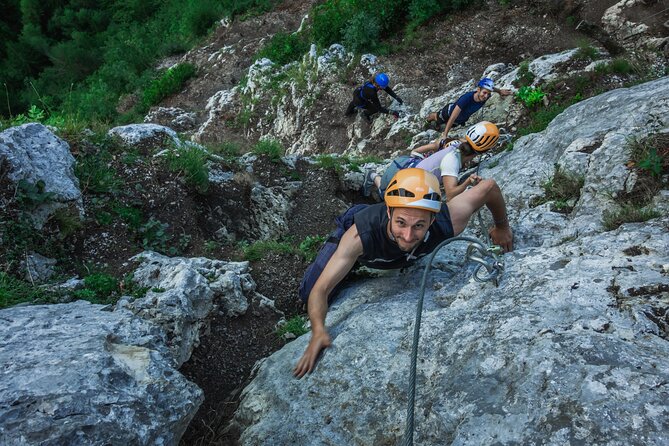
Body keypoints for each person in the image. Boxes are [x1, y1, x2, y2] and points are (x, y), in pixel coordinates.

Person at [294, 168, 513, 378]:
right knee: (308, 291)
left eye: (419, 225)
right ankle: (350, 264)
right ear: (389, 212)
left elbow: (489, 188)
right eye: (401, 223)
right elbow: (320, 290)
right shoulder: (359, 236)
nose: (408, 235)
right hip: (361, 232)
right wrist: (318, 330)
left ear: (433, 220)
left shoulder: (449, 221)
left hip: (383, 249)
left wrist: (502, 227)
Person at [362, 121, 500, 202]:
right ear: (482, 152)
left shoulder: (456, 143)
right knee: (385, 196)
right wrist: (468, 182)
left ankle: (375, 178)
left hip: (412, 171)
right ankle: (373, 176)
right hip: (408, 180)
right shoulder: (452, 161)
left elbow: (436, 145)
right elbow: (451, 194)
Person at [425, 77, 511, 138]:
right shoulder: (466, 99)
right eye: (484, 93)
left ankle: (438, 124)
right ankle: (428, 120)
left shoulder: (485, 96)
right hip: (448, 113)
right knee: (437, 117)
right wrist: (445, 135)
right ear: (478, 90)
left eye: (488, 94)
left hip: (460, 120)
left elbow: (490, 89)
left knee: (446, 124)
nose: (486, 96)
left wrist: (500, 91)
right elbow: (452, 117)